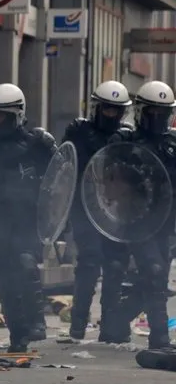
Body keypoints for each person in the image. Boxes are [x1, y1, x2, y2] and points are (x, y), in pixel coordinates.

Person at [0, 83, 57, 353]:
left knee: (26, 267)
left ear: (17, 114)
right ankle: (18, 336)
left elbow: (61, 179)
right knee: (5, 282)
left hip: (26, 221)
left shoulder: (37, 144)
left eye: (2, 115)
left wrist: (57, 220)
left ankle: (37, 321)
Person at [105, 81, 176, 350]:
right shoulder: (124, 142)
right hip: (135, 222)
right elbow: (109, 179)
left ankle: (116, 321)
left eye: (163, 113)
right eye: (152, 113)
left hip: (166, 223)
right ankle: (160, 338)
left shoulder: (173, 144)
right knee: (154, 271)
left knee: (154, 279)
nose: (157, 119)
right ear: (140, 112)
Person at [61, 81, 133, 343]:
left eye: (115, 110)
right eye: (106, 109)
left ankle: (110, 327)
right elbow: (64, 167)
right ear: (97, 108)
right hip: (84, 207)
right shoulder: (79, 131)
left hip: (115, 211)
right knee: (89, 263)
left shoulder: (127, 136)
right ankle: (78, 324)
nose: (110, 115)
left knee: (115, 266)